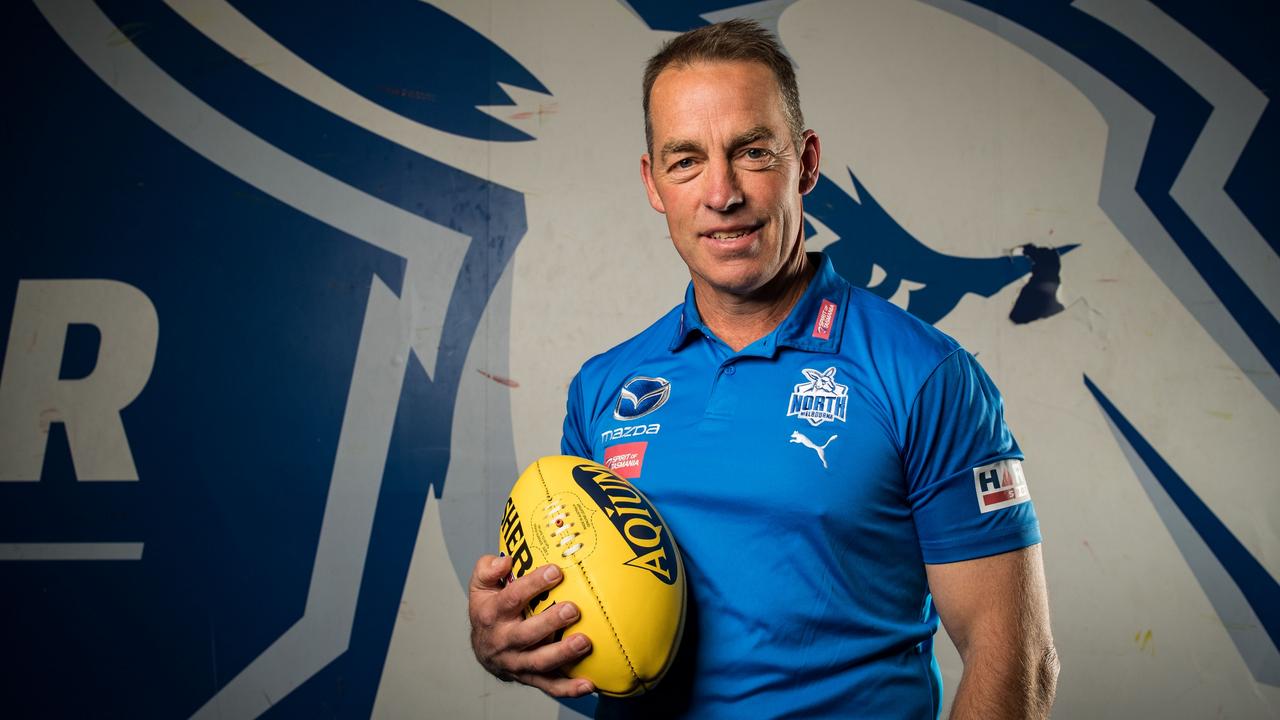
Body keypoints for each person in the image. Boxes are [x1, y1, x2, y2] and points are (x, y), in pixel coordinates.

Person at [469, 19, 1058, 719]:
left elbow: (1014, 657)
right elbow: (578, 617)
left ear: (805, 162)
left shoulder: (926, 377)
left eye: (751, 151)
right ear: (653, 182)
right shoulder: (603, 389)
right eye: (685, 160)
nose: (722, 194)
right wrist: (506, 641)